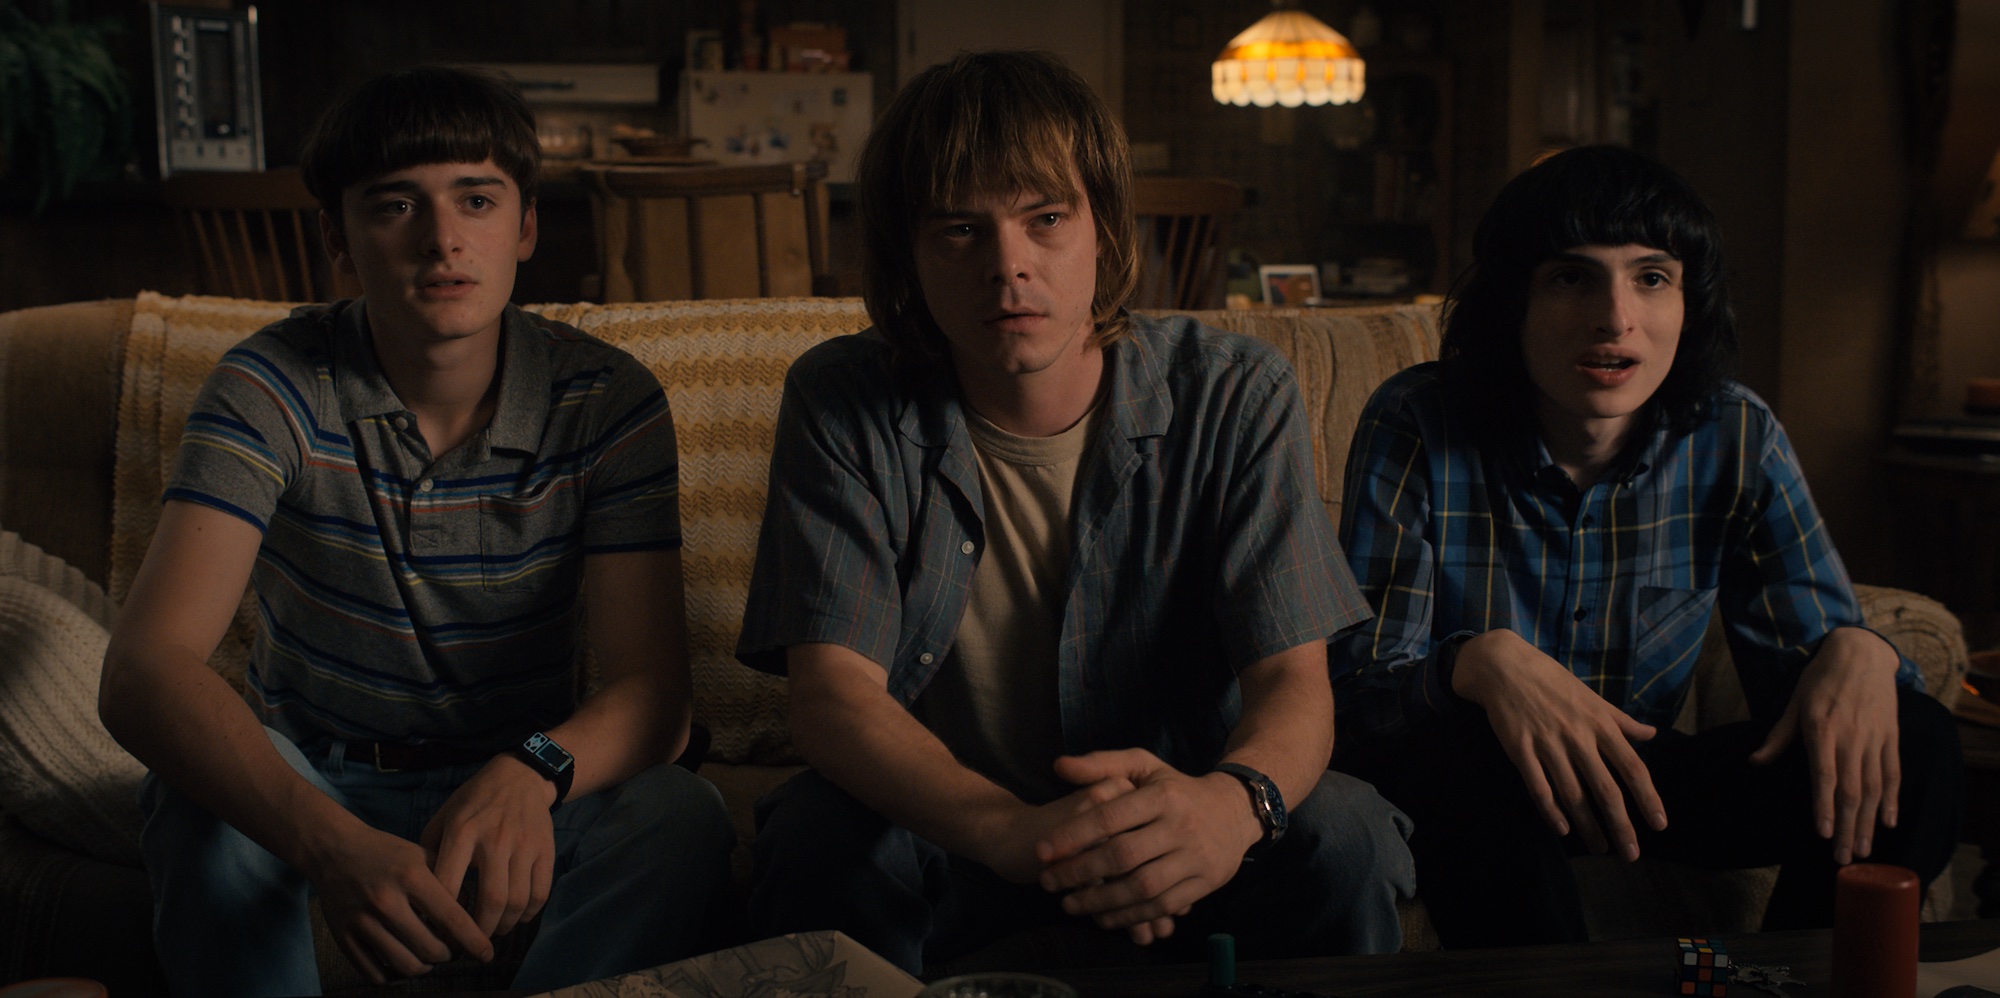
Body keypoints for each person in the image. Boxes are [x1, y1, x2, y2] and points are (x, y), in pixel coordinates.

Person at [736, 50, 1415, 975]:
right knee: (815, 833)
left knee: (1347, 833)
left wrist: (1232, 806)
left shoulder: (1235, 393)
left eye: (1046, 219)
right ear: (908, 256)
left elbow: (1294, 684)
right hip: (953, 834)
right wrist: (1012, 831)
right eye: (960, 230)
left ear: (1104, 229)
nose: (1008, 267)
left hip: (1178, 820)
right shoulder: (844, 399)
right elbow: (832, 698)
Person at [98, 66, 734, 996]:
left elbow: (655, 694)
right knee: (194, 799)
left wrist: (533, 770)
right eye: (396, 205)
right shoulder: (272, 383)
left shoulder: (606, 400)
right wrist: (330, 842)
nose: (443, 240)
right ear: (338, 239)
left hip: (516, 778)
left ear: (525, 227)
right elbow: (143, 670)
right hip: (317, 774)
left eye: (476, 200)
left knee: (678, 815)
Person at [1332, 144, 1963, 948]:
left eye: (1652, 278)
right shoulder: (1417, 418)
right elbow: (1358, 695)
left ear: (1690, 301)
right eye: (1572, 278)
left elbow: (1802, 683)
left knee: (1918, 738)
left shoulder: (1734, 431)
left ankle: (1795, 980)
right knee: (1467, 751)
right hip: (1472, 787)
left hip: (1635, 782)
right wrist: (1478, 664)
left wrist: (1859, 652)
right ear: (1512, 301)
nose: (1616, 318)